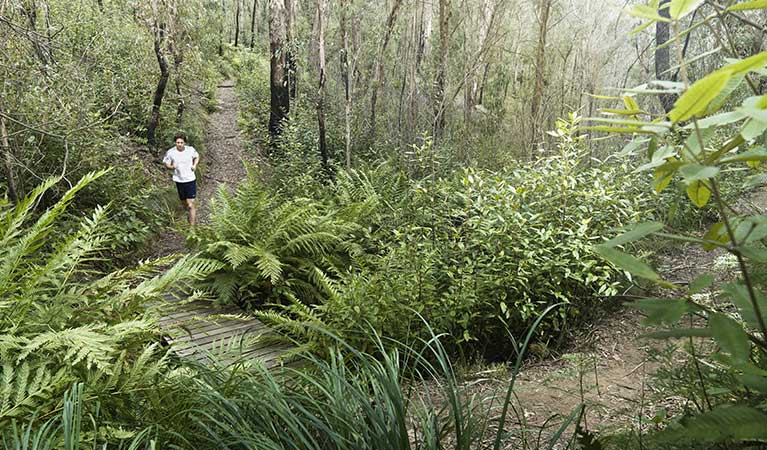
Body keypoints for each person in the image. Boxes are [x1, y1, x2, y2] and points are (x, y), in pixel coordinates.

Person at [163, 133, 199, 225]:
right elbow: (166, 164)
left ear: (184, 143)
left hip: (190, 179)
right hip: (179, 180)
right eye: (178, 142)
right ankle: (190, 216)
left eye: (181, 142)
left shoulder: (190, 150)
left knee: (190, 204)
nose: (179, 144)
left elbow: (197, 156)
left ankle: (192, 228)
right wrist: (172, 167)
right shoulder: (171, 152)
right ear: (175, 143)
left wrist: (194, 165)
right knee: (184, 204)